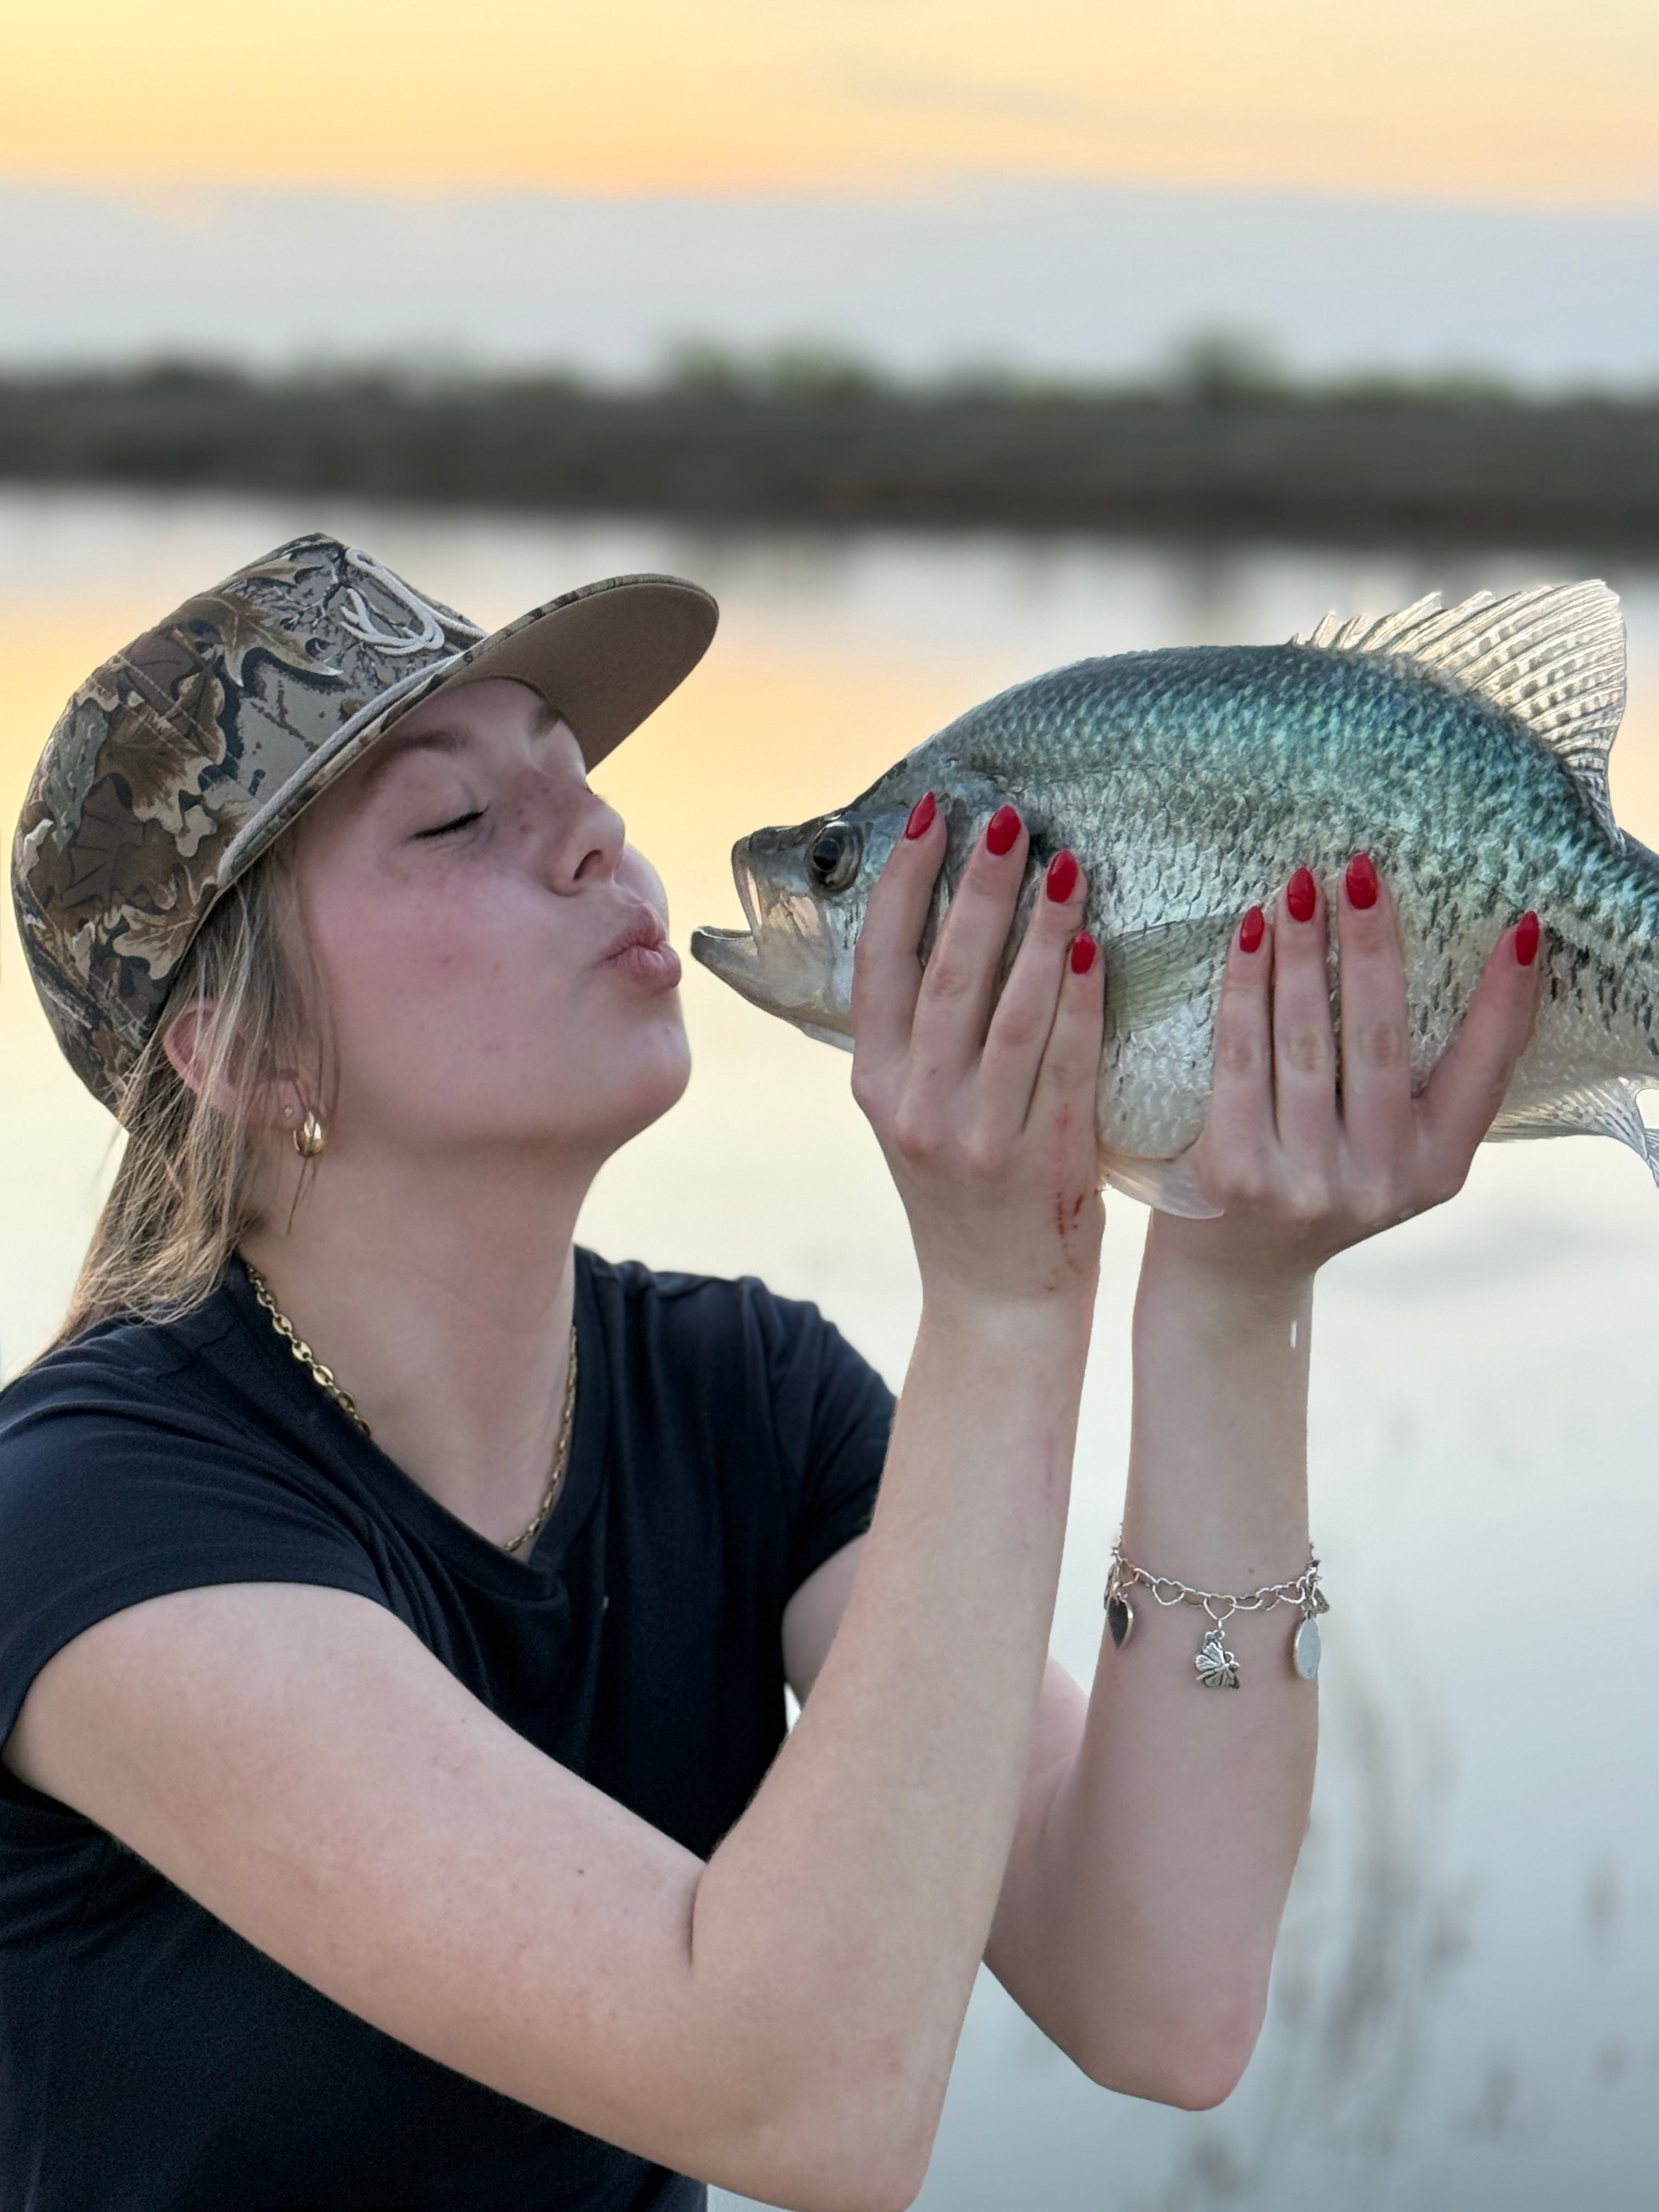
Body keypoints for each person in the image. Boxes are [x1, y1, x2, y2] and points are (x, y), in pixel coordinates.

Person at [0, 534, 1541, 2212]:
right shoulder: (87, 1525)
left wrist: (1232, 1296)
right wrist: (1006, 1301)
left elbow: (1159, 1991)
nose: (600, 840)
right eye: (458, 821)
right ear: (242, 1050)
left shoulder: (738, 1394)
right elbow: (805, 2104)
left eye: (577, 781)